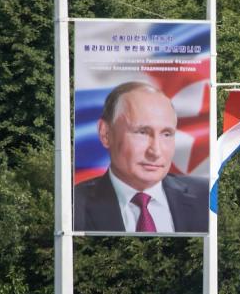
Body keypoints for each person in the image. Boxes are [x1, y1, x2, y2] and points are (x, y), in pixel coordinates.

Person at [74, 81, 208, 233]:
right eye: (142, 132)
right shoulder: (73, 206)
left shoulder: (206, 196)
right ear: (105, 133)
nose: (156, 151)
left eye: (166, 134)